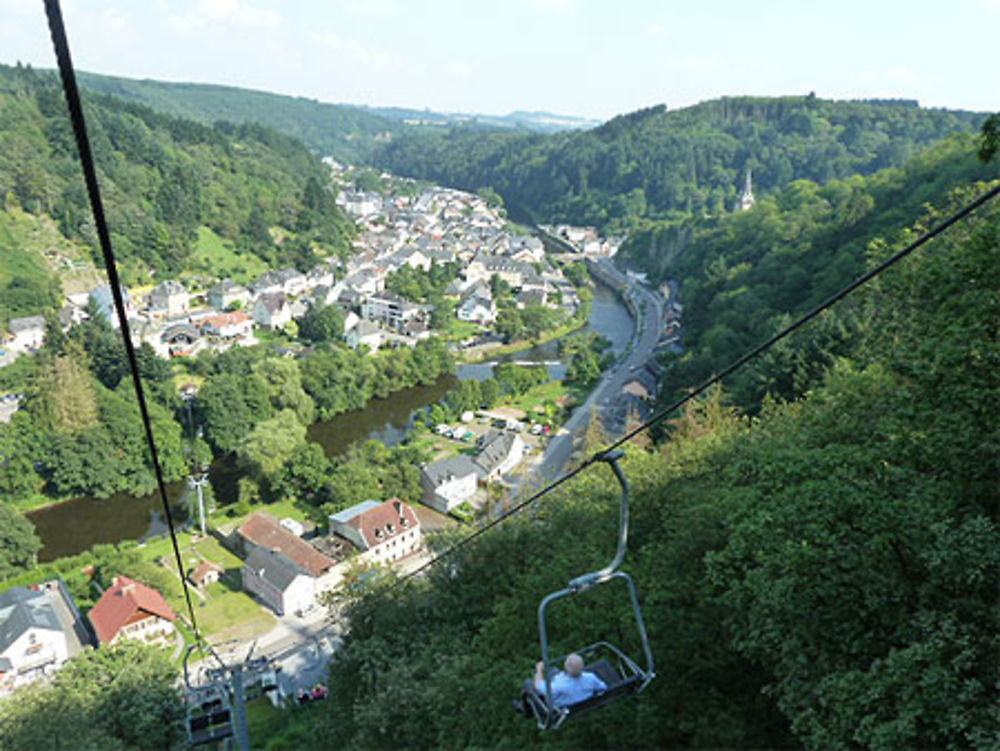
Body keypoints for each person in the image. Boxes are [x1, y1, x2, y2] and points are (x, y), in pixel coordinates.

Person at [534, 653, 607, 708]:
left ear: (566, 666)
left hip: (564, 705)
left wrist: (539, 670)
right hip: (581, 701)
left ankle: (526, 709)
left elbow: (538, 686)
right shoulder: (591, 678)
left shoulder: (559, 686)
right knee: (554, 670)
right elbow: (602, 687)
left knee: (528, 683)